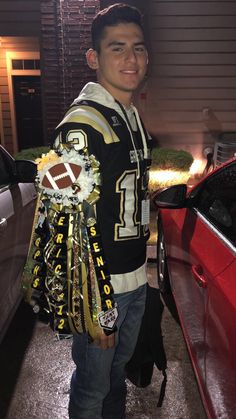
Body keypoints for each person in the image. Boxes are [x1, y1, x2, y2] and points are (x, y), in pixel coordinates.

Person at [52, 3, 152, 418]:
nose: (131, 59)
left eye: (139, 48)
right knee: (92, 387)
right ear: (94, 58)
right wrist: (93, 301)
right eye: (117, 48)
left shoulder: (128, 113)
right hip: (105, 287)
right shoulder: (82, 125)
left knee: (115, 378)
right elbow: (64, 219)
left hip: (135, 278)